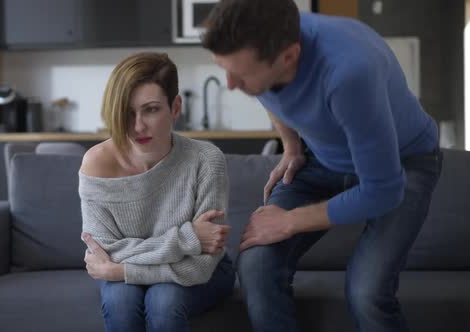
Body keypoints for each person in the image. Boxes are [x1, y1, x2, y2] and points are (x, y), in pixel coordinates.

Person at [201, 1, 442, 331]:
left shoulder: (348, 73)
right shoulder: (267, 43)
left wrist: (288, 221)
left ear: (288, 57)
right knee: (257, 266)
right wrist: (291, 146)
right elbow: (265, 92)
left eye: (239, 74)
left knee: (366, 292)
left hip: (403, 163)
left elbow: (382, 190)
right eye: (223, 68)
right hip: (322, 159)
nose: (229, 84)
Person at [78, 52, 235, 332]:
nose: (138, 127)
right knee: (120, 301)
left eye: (151, 109)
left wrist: (122, 270)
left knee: (164, 300)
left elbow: (200, 265)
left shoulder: (207, 160)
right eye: (127, 112)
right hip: (160, 265)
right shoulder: (97, 162)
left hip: (206, 275)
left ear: (175, 108)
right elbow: (105, 250)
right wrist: (189, 237)